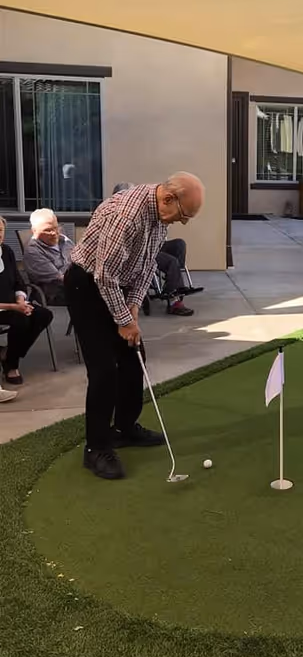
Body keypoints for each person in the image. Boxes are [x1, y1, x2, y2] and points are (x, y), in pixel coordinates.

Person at [65, 174, 205, 480]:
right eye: (184, 215)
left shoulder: (160, 215)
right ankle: (96, 448)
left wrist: (132, 311)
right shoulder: (126, 215)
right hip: (86, 286)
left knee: (132, 359)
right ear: (169, 199)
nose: (182, 223)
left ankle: (124, 429)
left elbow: (145, 268)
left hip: (118, 286)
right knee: (104, 370)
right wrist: (123, 320)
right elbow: (104, 277)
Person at [113, 183, 202, 316]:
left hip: (153, 246)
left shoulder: (146, 210)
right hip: (140, 252)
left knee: (179, 244)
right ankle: (174, 301)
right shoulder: (122, 215)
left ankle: (173, 283)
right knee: (171, 261)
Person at [0, 215, 54, 386]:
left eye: (0, 230)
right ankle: (11, 366)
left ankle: (8, 354)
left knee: (43, 315)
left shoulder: (6, 251)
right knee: (22, 319)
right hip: (3, 308)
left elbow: (18, 281)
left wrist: (20, 301)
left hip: (13, 305)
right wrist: (15, 307)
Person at [22, 208, 75, 305]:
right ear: (34, 231)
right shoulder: (33, 251)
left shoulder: (64, 240)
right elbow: (59, 279)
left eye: (55, 227)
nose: (54, 233)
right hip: (54, 292)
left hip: (74, 283)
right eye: (47, 230)